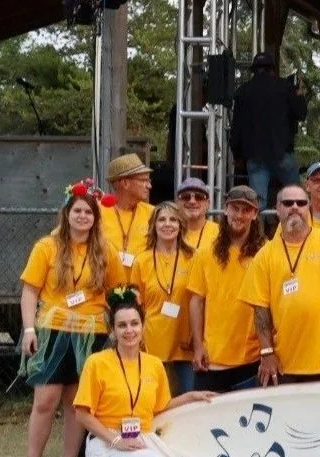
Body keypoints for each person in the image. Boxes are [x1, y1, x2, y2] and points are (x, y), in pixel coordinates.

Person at [16, 183, 124, 457]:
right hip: (53, 330)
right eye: (77, 210)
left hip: (91, 333)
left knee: (78, 403)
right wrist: (28, 329)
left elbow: (117, 293)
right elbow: (30, 291)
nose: (82, 217)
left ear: (96, 216)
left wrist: (118, 329)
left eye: (88, 212)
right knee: (45, 400)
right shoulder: (46, 247)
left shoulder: (106, 251)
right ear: (67, 213)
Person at [74, 288, 215, 457]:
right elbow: (82, 414)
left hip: (144, 439)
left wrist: (190, 397)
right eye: (122, 325)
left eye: (134, 323)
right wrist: (116, 440)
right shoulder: (97, 363)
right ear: (113, 330)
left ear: (142, 326)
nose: (129, 331)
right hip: (106, 442)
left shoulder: (154, 364)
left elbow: (159, 407)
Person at [241, 184, 320, 389]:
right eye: (288, 203)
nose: (295, 207)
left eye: (301, 203)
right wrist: (266, 352)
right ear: (277, 209)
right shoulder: (265, 255)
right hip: (285, 365)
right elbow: (260, 309)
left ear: (309, 207)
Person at [188, 186, 265, 393]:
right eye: (235, 208)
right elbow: (196, 301)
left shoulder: (266, 253)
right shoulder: (205, 254)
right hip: (213, 358)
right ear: (225, 209)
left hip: (252, 357)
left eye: (246, 210)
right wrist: (197, 346)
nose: (239, 215)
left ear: (255, 214)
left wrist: (268, 351)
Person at [131, 202, 198, 395]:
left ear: (181, 225)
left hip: (185, 344)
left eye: (173, 219)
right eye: (161, 219)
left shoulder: (194, 258)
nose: (167, 224)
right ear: (153, 225)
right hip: (151, 343)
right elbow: (137, 306)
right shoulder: (141, 261)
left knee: (186, 402)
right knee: (153, 401)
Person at [231, 52, 307, 206]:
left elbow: (236, 127)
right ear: (273, 69)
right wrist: (299, 93)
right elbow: (301, 113)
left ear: (254, 70)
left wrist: (238, 156)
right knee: (295, 199)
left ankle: (259, 229)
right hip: (282, 152)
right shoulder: (285, 87)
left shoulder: (243, 91)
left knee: (258, 204)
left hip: (255, 155)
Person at [102, 154, 155, 282]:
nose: (149, 186)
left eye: (149, 181)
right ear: (125, 183)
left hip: (141, 292)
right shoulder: (95, 212)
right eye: (144, 180)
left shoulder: (154, 213)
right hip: (104, 291)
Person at [175, 178, 220, 251]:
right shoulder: (168, 231)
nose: (192, 201)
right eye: (186, 196)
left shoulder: (220, 234)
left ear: (208, 203)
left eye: (199, 197)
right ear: (177, 202)